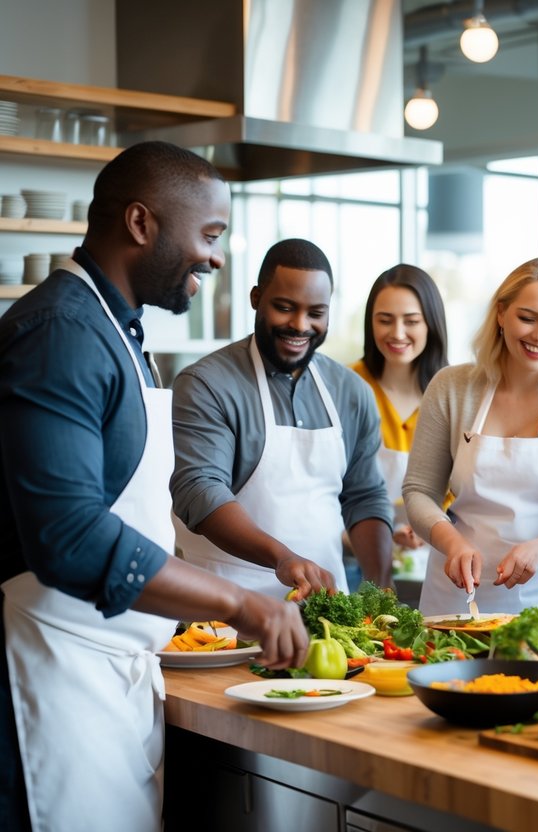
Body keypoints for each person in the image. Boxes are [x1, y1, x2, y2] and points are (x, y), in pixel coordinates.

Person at [0, 141, 308, 832]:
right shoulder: (61, 334)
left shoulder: (116, 332)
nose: (216, 256)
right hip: (50, 670)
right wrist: (241, 605)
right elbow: (68, 537)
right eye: (208, 234)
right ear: (141, 224)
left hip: (107, 672)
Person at [171, 239, 393, 598]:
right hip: (223, 612)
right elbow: (200, 491)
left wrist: (381, 586)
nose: (300, 325)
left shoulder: (351, 392)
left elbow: (365, 496)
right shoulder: (206, 384)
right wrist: (283, 558)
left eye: (316, 313)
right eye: (285, 307)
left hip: (326, 613)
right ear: (256, 298)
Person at [403, 257, 538, 615]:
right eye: (527, 318)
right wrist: (451, 542)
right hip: (453, 596)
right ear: (501, 314)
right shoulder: (452, 388)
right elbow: (420, 491)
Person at [350, 264, 449, 551]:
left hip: (441, 557)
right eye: (385, 320)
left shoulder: (454, 392)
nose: (397, 333)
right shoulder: (348, 386)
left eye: (411, 321)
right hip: (358, 552)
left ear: (430, 322)